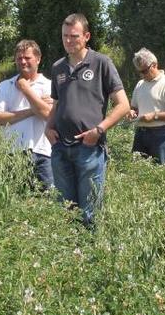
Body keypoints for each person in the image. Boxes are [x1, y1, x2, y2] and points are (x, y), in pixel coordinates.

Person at [45, 13, 130, 225]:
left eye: (74, 36)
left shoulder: (101, 63)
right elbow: (56, 104)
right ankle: (69, 253)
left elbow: (123, 105)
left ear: (86, 36)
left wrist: (98, 131)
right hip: (61, 148)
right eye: (65, 36)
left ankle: (92, 253)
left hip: (89, 148)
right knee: (66, 211)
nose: (68, 40)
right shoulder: (58, 68)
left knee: (90, 212)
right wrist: (48, 128)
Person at [0, 40, 53, 188]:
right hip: (13, 153)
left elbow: (48, 115)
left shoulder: (49, 85)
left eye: (27, 58)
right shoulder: (5, 86)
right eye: (19, 58)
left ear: (38, 59)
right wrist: (33, 110)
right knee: (15, 201)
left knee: (49, 200)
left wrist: (25, 89)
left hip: (43, 154)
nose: (23, 61)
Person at [127, 48, 165, 164]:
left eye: (145, 71)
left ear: (154, 65)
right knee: (138, 171)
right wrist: (132, 112)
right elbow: (134, 107)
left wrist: (154, 116)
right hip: (140, 134)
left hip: (160, 136)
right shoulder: (140, 84)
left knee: (162, 172)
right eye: (140, 72)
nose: (142, 75)